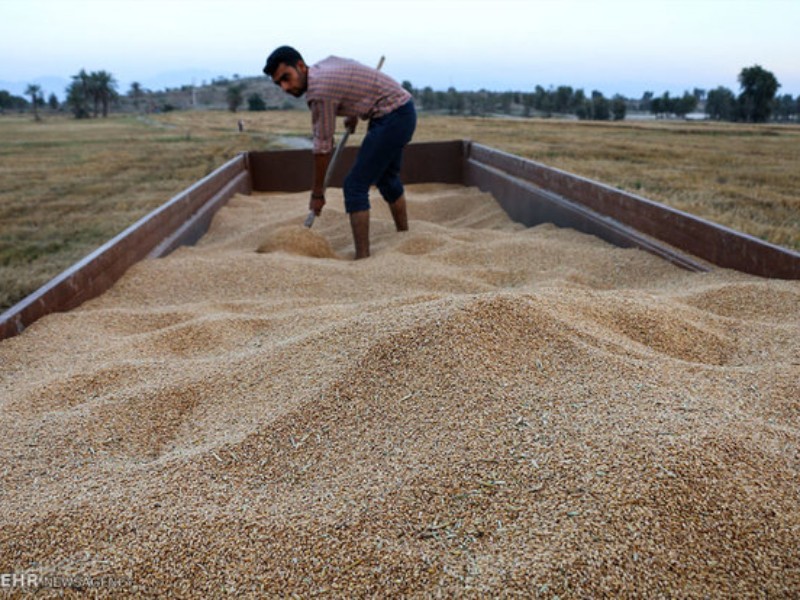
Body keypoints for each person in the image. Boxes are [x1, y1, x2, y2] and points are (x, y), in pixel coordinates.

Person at [263, 46, 416, 259]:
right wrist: (353, 108)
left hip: (393, 115)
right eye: (279, 82)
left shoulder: (318, 92)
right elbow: (352, 74)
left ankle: (362, 258)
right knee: (387, 178)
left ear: (300, 66)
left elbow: (323, 146)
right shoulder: (323, 66)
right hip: (401, 108)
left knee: (354, 186)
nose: (285, 87)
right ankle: (404, 235)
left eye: (286, 77)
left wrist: (318, 194)